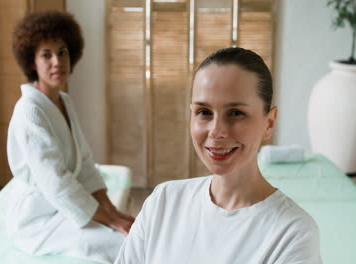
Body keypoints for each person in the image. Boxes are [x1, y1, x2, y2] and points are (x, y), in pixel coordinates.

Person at [114, 47, 322, 263]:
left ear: (268, 123)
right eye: (204, 112)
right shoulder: (164, 201)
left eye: (236, 113)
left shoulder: (292, 234)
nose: (216, 131)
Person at [6, 10, 134, 263]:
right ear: (32, 62)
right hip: (39, 219)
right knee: (121, 244)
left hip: (66, 207)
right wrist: (110, 220)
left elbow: (84, 162)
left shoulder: (63, 100)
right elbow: (56, 181)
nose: (57, 61)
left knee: (133, 232)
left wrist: (113, 211)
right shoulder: (29, 110)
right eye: (46, 55)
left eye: (62, 52)